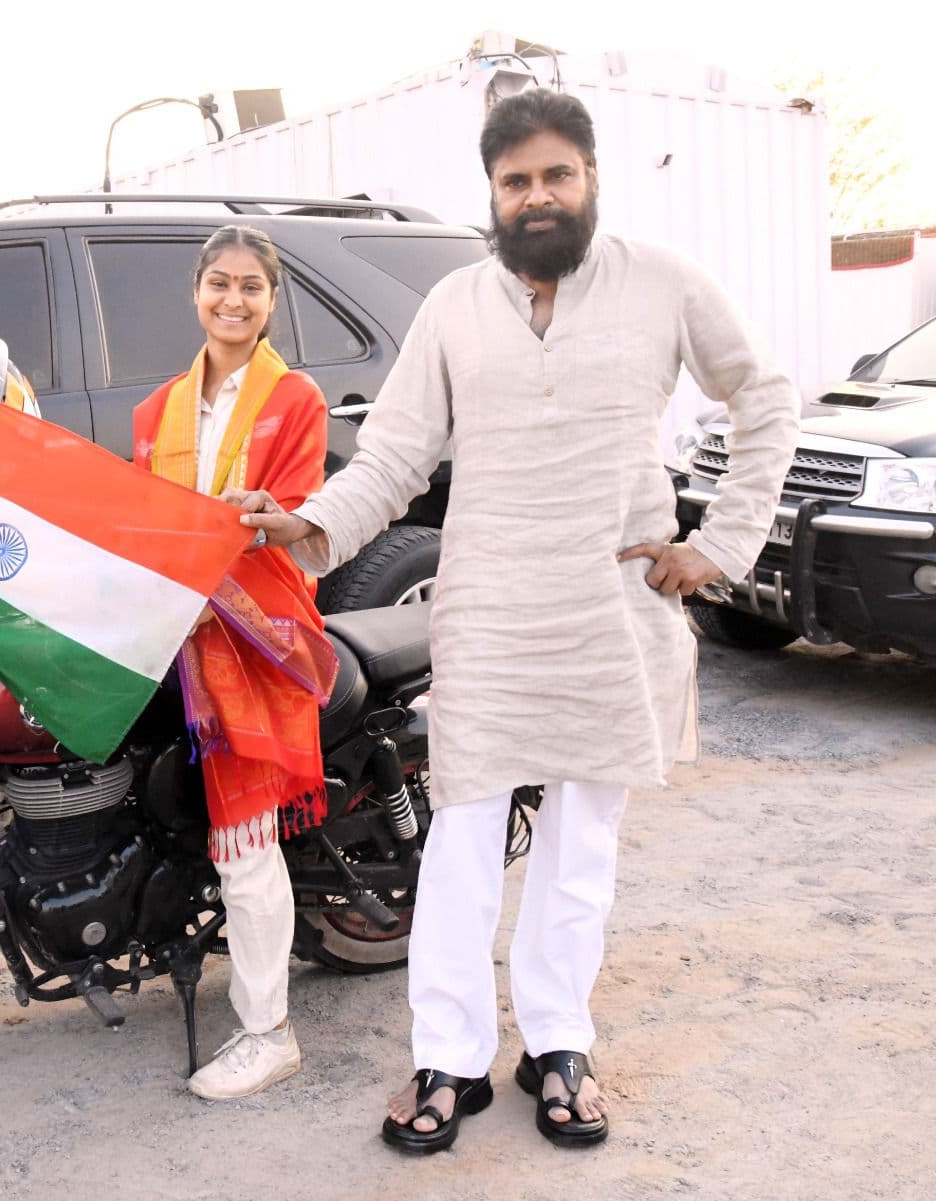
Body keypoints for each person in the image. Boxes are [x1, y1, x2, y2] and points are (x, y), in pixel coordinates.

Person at [226, 90, 799, 1150]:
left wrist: (719, 547)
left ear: (589, 177)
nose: (536, 197)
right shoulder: (453, 305)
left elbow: (764, 400)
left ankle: (558, 1039)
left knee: (580, 842)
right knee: (462, 841)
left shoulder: (664, 284)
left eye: (555, 176)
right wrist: (301, 527)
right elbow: (394, 459)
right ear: (491, 193)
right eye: (514, 181)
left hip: (610, 609)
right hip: (487, 608)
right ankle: (447, 1054)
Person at [132, 225, 334, 1101]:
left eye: (252, 287)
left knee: (244, 841)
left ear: (271, 300)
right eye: (220, 283)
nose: (234, 300)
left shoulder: (296, 401)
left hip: (250, 635)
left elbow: (293, 517)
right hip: (169, 626)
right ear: (196, 292)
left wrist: (245, 522)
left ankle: (269, 1030)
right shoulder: (155, 411)